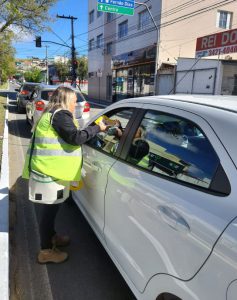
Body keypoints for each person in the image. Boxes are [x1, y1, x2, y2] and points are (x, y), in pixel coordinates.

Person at [22, 86, 107, 264]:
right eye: (74, 101)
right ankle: (45, 251)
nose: (75, 104)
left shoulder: (53, 113)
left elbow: (69, 133)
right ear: (66, 100)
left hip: (49, 170)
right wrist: (97, 129)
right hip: (49, 171)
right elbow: (75, 137)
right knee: (50, 209)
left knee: (52, 209)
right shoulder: (60, 115)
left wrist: (90, 129)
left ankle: (51, 237)